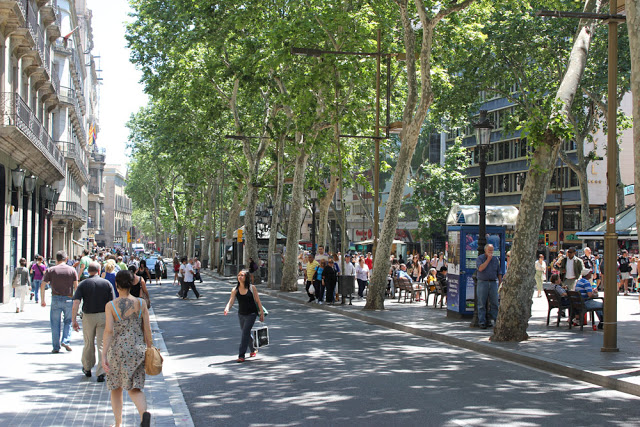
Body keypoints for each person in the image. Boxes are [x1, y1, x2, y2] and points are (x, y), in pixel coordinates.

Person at [102, 270, 152, 427]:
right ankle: (144, 414)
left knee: (116, 388)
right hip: (137, 350)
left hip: (117, 350)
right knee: (134, 388)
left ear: (116, 285)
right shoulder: (141, 303)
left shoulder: (111, 306)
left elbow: (109, 331)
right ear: (132, 285)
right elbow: (147, 329)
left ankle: (118, 423)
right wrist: (149, 348)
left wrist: (104, 354)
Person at [72, 262, 113, 382]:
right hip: (103, 316)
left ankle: (87, 367)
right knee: (102, 344)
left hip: (88, 316)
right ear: (99, 271)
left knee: (89, 342)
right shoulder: (106, 283)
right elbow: (112, 303)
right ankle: (101, 371)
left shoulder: (83, 284)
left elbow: (76, 303)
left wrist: (74, 319)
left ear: (88, 271)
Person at [223, 270, 265, 362]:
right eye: (238, 275)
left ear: (246, 277)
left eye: (242, 275)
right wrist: (227, 308)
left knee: (245, 332)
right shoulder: (235, 289)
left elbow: (258, 301)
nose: (239, 277)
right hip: (241, 314)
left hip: (252, 314)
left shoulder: (252, 288)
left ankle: (241, 355)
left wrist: (261, 313)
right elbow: (231, 300)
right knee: (246, 332)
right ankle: (253, 349)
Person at [41, 250, 78, 353]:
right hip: (68, 299)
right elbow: (76, 286)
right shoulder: (72, 270)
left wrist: (43, 300)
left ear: (56, 259)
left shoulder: (51, 270)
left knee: (55, 323)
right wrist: (76, 300)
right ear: (66, 259)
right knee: (68, 321)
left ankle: (56, 347)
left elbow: (43, 285)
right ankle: (66, 340)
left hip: (56, 298)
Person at [476, 244, 501, 329]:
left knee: (494, 303)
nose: (491, 252)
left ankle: (496, 320)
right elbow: (480, 268)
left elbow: (499, 272)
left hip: (493, 282)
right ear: (485, 250)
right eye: (489, 250)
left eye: (492, 250)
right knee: (482, 303)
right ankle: (482, 321)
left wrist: (500, 283)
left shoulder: (496, 259)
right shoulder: (480, 258)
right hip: (483, 282)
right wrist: (488, 260)